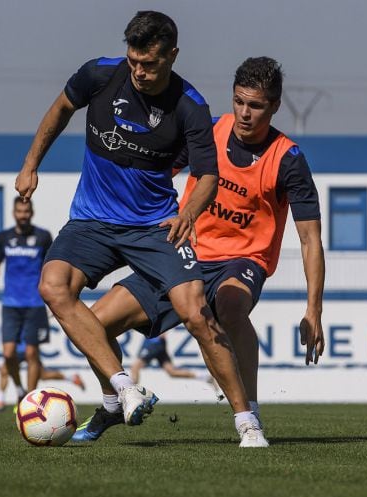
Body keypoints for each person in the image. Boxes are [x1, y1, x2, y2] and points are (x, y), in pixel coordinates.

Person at [15, 11, 262, 443]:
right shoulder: (99, 75)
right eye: (134, 61)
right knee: (53, 287)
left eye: (149, 63)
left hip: (153, 227)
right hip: (93, 221)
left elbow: (208, 177)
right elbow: (59, 110)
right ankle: (124, 391)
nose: (140, 72)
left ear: (172, 56)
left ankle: (247, 423)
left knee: (197, 314)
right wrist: (31, 163)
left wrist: (188, 215)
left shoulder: (190, 106)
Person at [72, 57, 325, 447]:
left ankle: (249, 417)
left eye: (255, 106)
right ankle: (111, 402)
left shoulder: (287, 159)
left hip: (242, 262)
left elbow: (310, 239)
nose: (244, 113)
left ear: (274, 106)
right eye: (239, 101)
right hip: (183, 254)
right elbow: (155, 168)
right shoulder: (210, 131)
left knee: (230, 307)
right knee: (95, 323)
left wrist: (313, 309)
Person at [0, 197, 52, 406]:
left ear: (31, 212)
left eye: (26, 211)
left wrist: (51, 298)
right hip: (11, 303)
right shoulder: (4, 237)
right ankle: (20, 389)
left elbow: (50, 268)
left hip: (35, 303)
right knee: (8, 353)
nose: (23, 215)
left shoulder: (43, 237)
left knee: (32, 353)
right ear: (14, 213)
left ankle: (30, 401)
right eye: (19, 211)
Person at [0, 341, 86, 415]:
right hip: (17, 347)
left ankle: (71, 378)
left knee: (42, 375)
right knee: (4, 369)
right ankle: (1, 400)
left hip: (28, 346)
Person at [130, 334, 216, 388]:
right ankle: (204, 376)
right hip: (157, 345)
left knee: (135, 367)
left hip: (154, 345)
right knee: (172, 372)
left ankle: (133, 392)